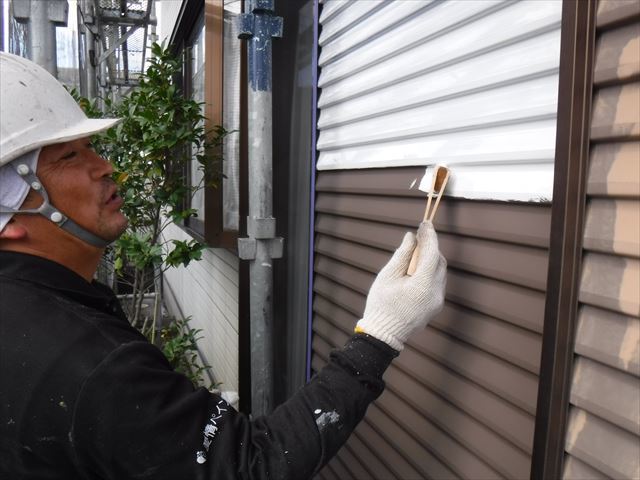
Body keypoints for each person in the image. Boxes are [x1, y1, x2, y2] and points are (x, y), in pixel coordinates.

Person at [0, 52, 447, 480]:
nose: (106, 167)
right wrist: (381, 333)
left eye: (90, 147)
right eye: (69, 157)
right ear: (10, 215)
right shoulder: (91, 365)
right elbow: (255, 466)